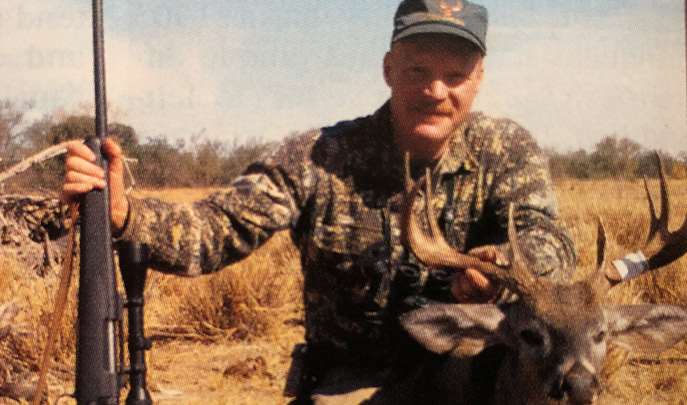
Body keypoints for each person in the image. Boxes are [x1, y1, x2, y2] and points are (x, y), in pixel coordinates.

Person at [61, 0, 576, 403]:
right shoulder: (319, 155)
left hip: (477, 379)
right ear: (389, 69)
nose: (436, 91)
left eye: (456, 76)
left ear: (478, 79)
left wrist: (504, 264)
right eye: (418, 70)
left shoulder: (508, 150)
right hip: (354, 382)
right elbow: (216, 229)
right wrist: (126, 214)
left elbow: (549, 240)